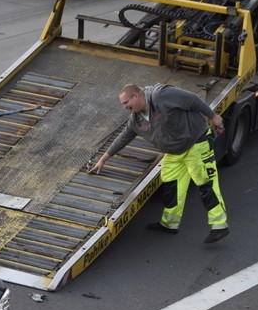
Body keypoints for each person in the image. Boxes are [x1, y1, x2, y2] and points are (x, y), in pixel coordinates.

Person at [88, 83, 229, 243]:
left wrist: (214, 117)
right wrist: (103, 160)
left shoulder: (161, 95)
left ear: (136, 96)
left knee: (205, 183)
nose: (125, 107)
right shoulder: (136, 119)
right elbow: (124, 137)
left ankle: (219, 225)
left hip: (195, 144)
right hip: (174, 152)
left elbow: (192, 100)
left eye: (126, 103)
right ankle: (170, 224)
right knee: (170, 184)